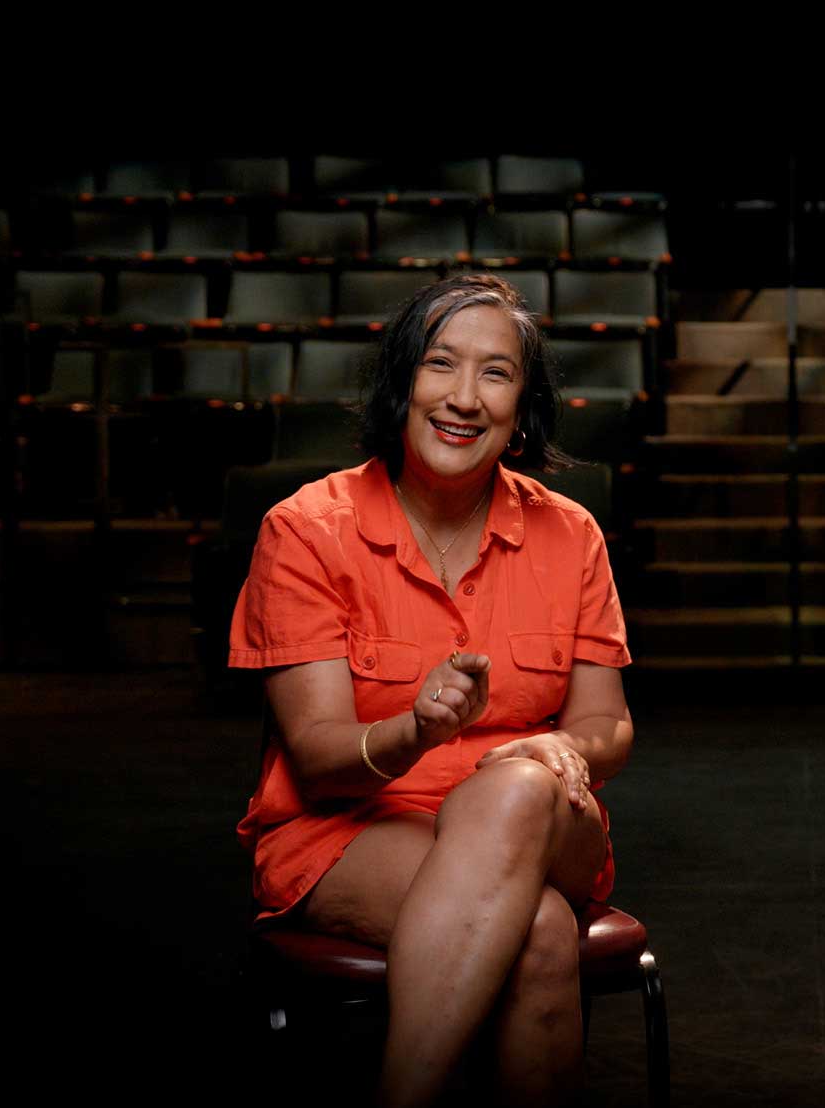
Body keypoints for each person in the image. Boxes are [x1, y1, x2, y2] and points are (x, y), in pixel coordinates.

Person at [229, 273, 632, 1108]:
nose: (464, 397)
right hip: (350, 829)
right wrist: (414, 729)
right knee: (540, 934)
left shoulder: (572, 534)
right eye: (440, 363)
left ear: (523, 406)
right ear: (400, 381)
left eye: (496, 372)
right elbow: (318, 759)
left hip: (549, 825)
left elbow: (608, 724)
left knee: (518, 789)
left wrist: (561, 747)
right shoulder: (305, 530)